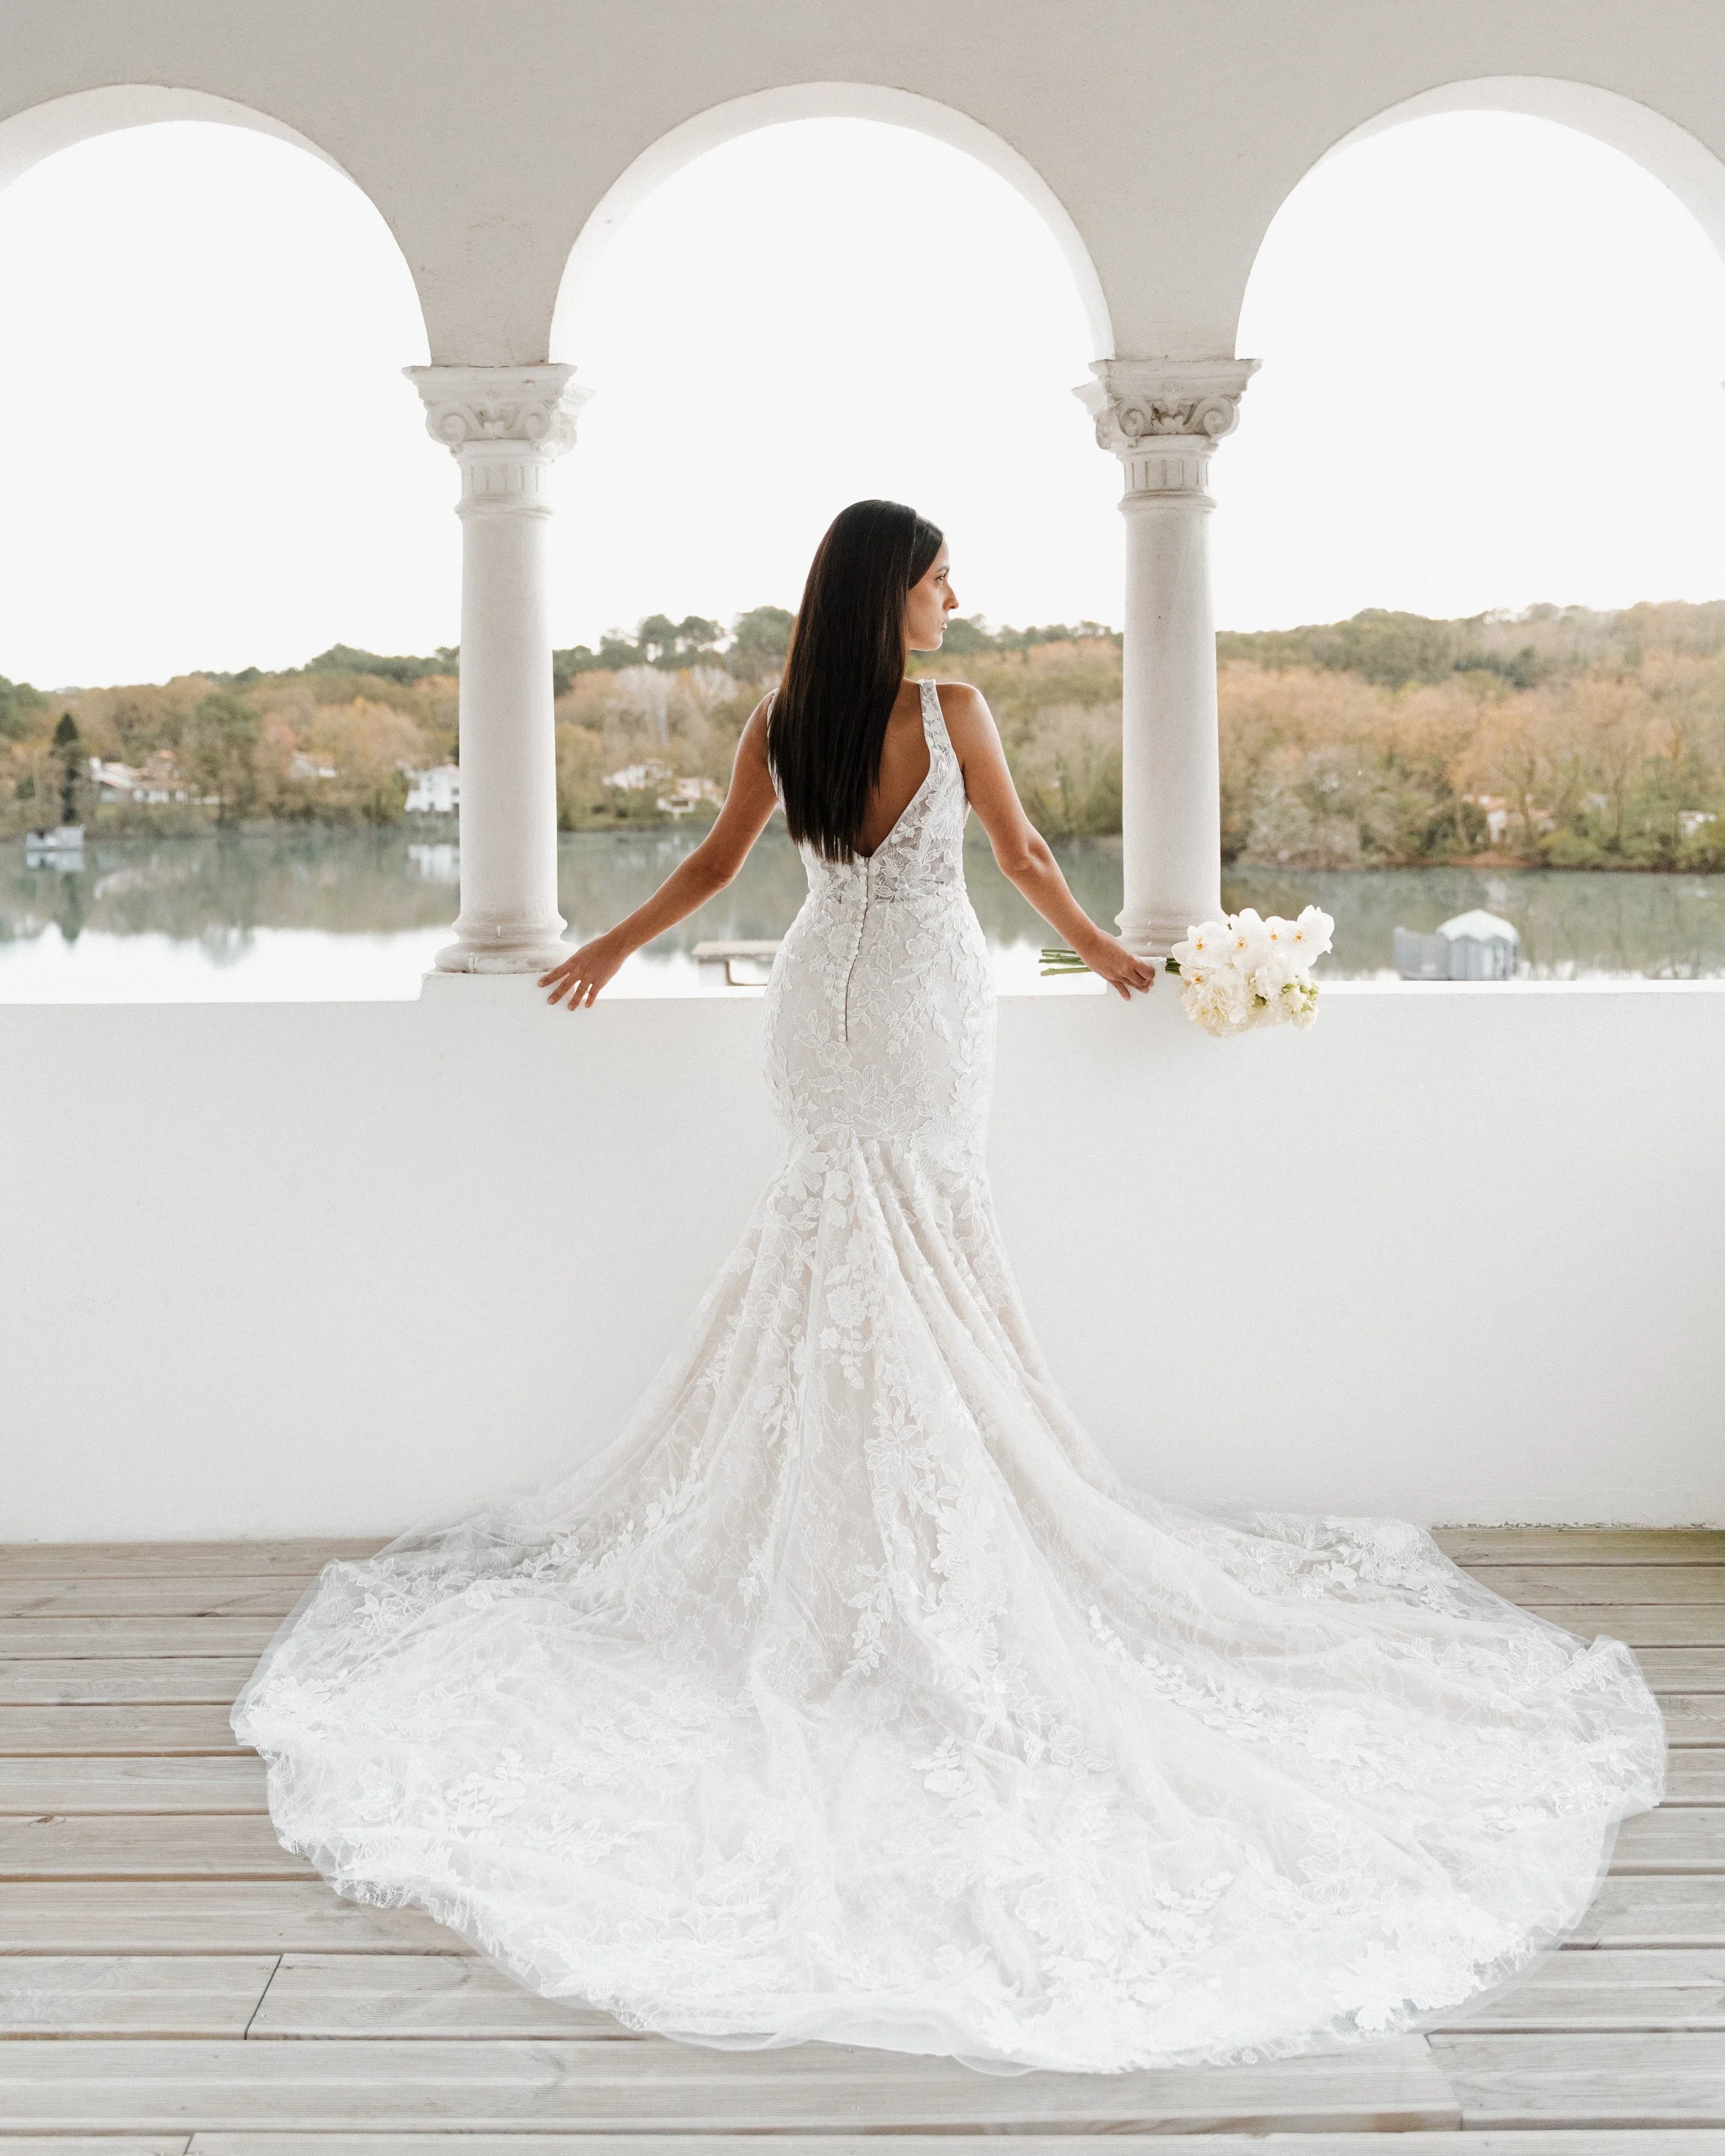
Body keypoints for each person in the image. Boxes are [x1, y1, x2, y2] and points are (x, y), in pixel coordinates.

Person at [233, 499, 1665, 2076]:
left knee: (837, 1243)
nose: (954, 599)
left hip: (820, 1011)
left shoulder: (789, 712)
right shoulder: (951, 711)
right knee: (916, 1240)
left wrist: (611, 948)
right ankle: (912, 1520)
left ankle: (837, 1516)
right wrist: (1111, 953)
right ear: (891, 593)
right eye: (936, 578)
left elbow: (718, 862)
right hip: (919, 1011)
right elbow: (1023, 851)